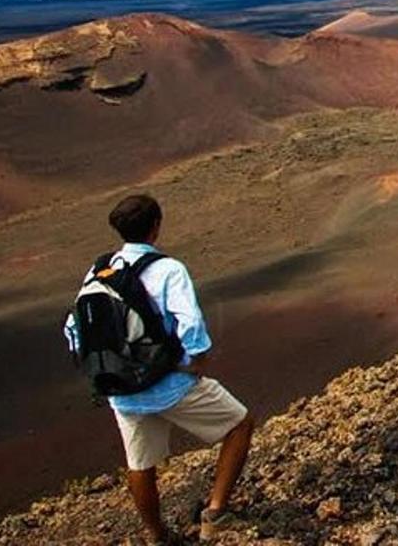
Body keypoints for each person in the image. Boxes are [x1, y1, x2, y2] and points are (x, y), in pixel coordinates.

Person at [64, 194, 254, 544]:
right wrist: (194, 360)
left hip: (122, 391)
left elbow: (75, 329)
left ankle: (155, 534)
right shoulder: (168, 270)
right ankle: (215, 514)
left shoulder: (99, 269)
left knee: (140, 465)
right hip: (171, 383)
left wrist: (104, 369)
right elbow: (190, 324)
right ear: (156, 226)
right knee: (240, 424)